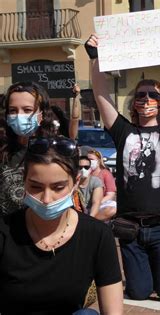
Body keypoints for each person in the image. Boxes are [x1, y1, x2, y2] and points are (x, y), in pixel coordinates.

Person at [86, 28, 160, 302]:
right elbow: (102, 95)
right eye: (140, 95)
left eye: (152, 95)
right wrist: (95, 59)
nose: (145, 99)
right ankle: (150, 277)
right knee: (139, 292)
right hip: (130, 228)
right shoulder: (123, 131)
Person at [0, 136, 123, 314]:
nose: (46, 199)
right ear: (24, 181)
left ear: (76, 182)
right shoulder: (5, 231)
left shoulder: (97, 235)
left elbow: (113, 311)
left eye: (58, 188)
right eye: (36, 187)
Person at [0, 82, 56, 216]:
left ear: (41, 114)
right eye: (13, 110)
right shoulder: (3, 150)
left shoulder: (54, 150)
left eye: (27, 110)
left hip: (40, 227)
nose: (19, 116)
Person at [87, 149, 117, 221]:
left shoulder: (105, 173)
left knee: (113, 209)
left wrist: (97, 202)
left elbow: (110, 194)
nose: (90, 162)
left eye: (92, 159)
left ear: (99, 161)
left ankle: (90, 220)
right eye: (88, 159)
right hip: (86, 202)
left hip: (101, 203)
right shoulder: (84, 172)